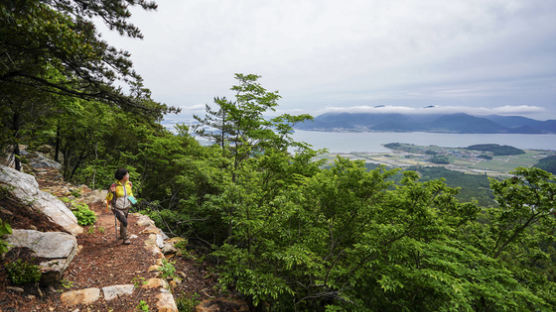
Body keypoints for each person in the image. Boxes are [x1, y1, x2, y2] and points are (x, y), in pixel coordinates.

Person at [106, 168, 134, 244]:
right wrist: (111, 191)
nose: (128, 175)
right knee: (124, 222)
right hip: (117, 208)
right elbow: (108, 197)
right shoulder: (115, 186)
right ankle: (126, 238)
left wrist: (133, 201)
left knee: (123, 222)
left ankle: (122, 235)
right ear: (122, 176)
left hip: (126, 207)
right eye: (127, 174)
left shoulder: (128, 184)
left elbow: (129, 194)